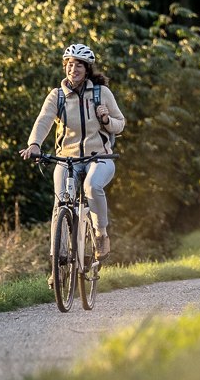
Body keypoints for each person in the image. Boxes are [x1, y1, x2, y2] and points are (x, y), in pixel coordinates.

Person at [20, 43, 125, 265]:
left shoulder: (101, 93)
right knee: (60, 204)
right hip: (67, 159)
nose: (73, 69)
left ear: (87, 69)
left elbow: (120, 125)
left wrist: (106, 119)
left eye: (78, 65)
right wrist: (35, 144)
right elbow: (44, 120)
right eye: (69, 64)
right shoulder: (57, 96)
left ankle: (100, 234)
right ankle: (57, 260)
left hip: (100, 157)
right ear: (65, 67)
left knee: (91, 187)